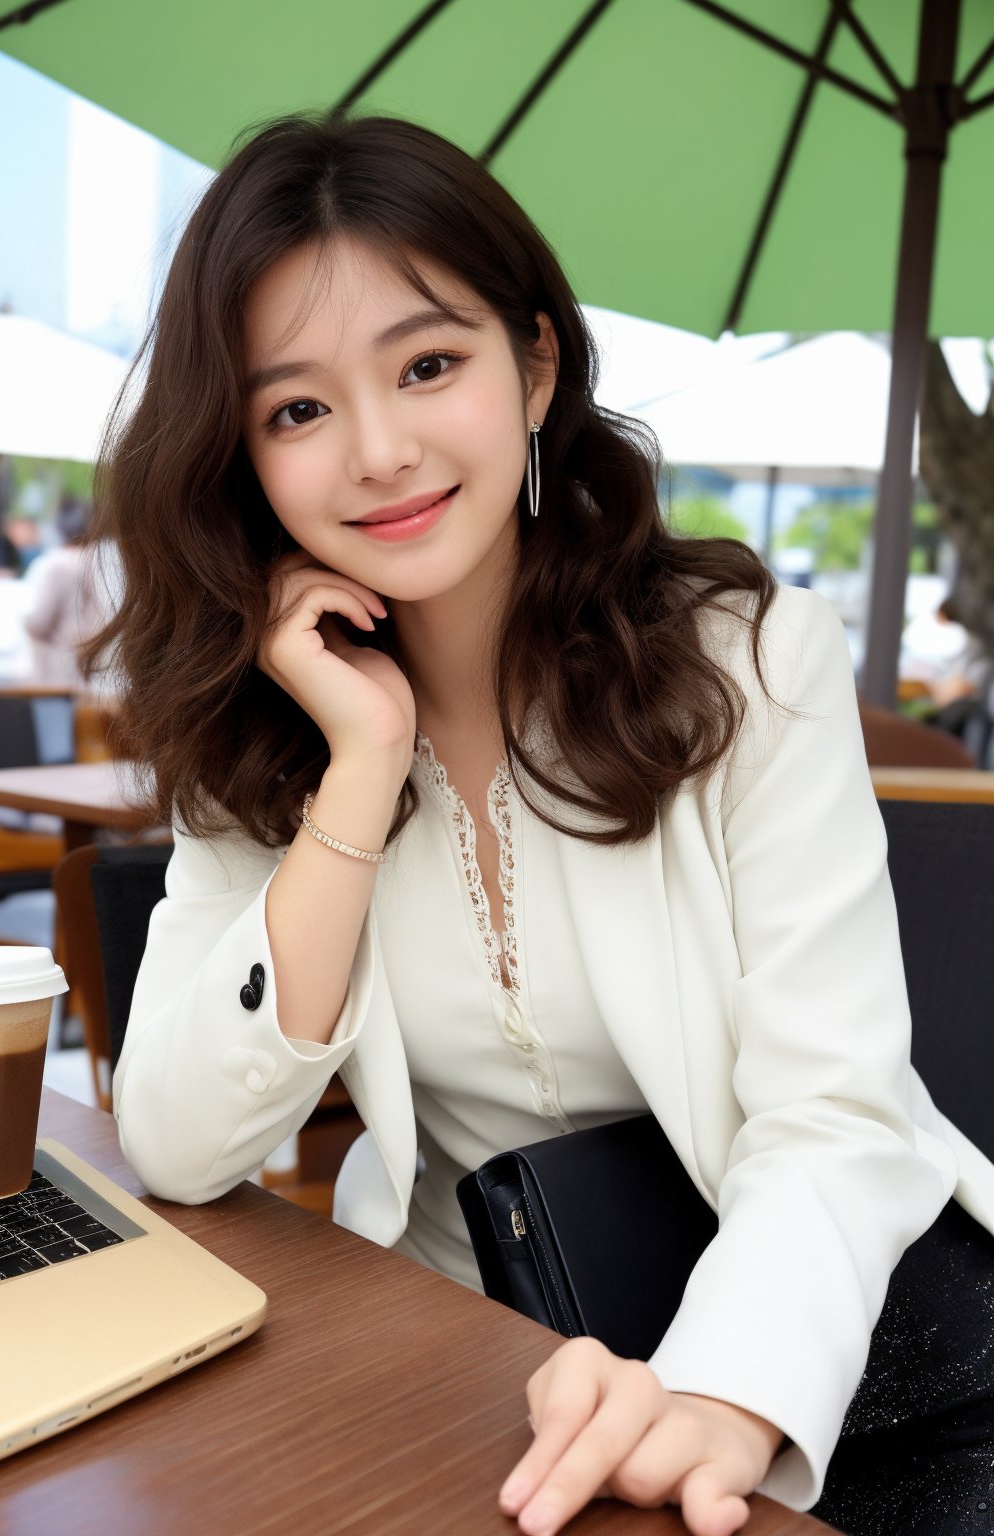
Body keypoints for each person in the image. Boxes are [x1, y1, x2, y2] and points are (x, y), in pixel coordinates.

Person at [88, 114, 994, 1536]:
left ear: (536, 366)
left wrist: (722, 1391)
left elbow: (836, 1114)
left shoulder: (750, 661)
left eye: (427, 365)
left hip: (821, 1342)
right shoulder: (267, 724)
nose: (378, 452)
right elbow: (181, 1142)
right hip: (483, 1355)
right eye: (298, 409)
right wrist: (362, 759)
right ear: (242, 455)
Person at [23, 496, 105, 686]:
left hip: (57, 666)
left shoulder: (57, 564)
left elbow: (39, 623)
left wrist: (21, 619)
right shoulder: (96, 560)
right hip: (86, 661)